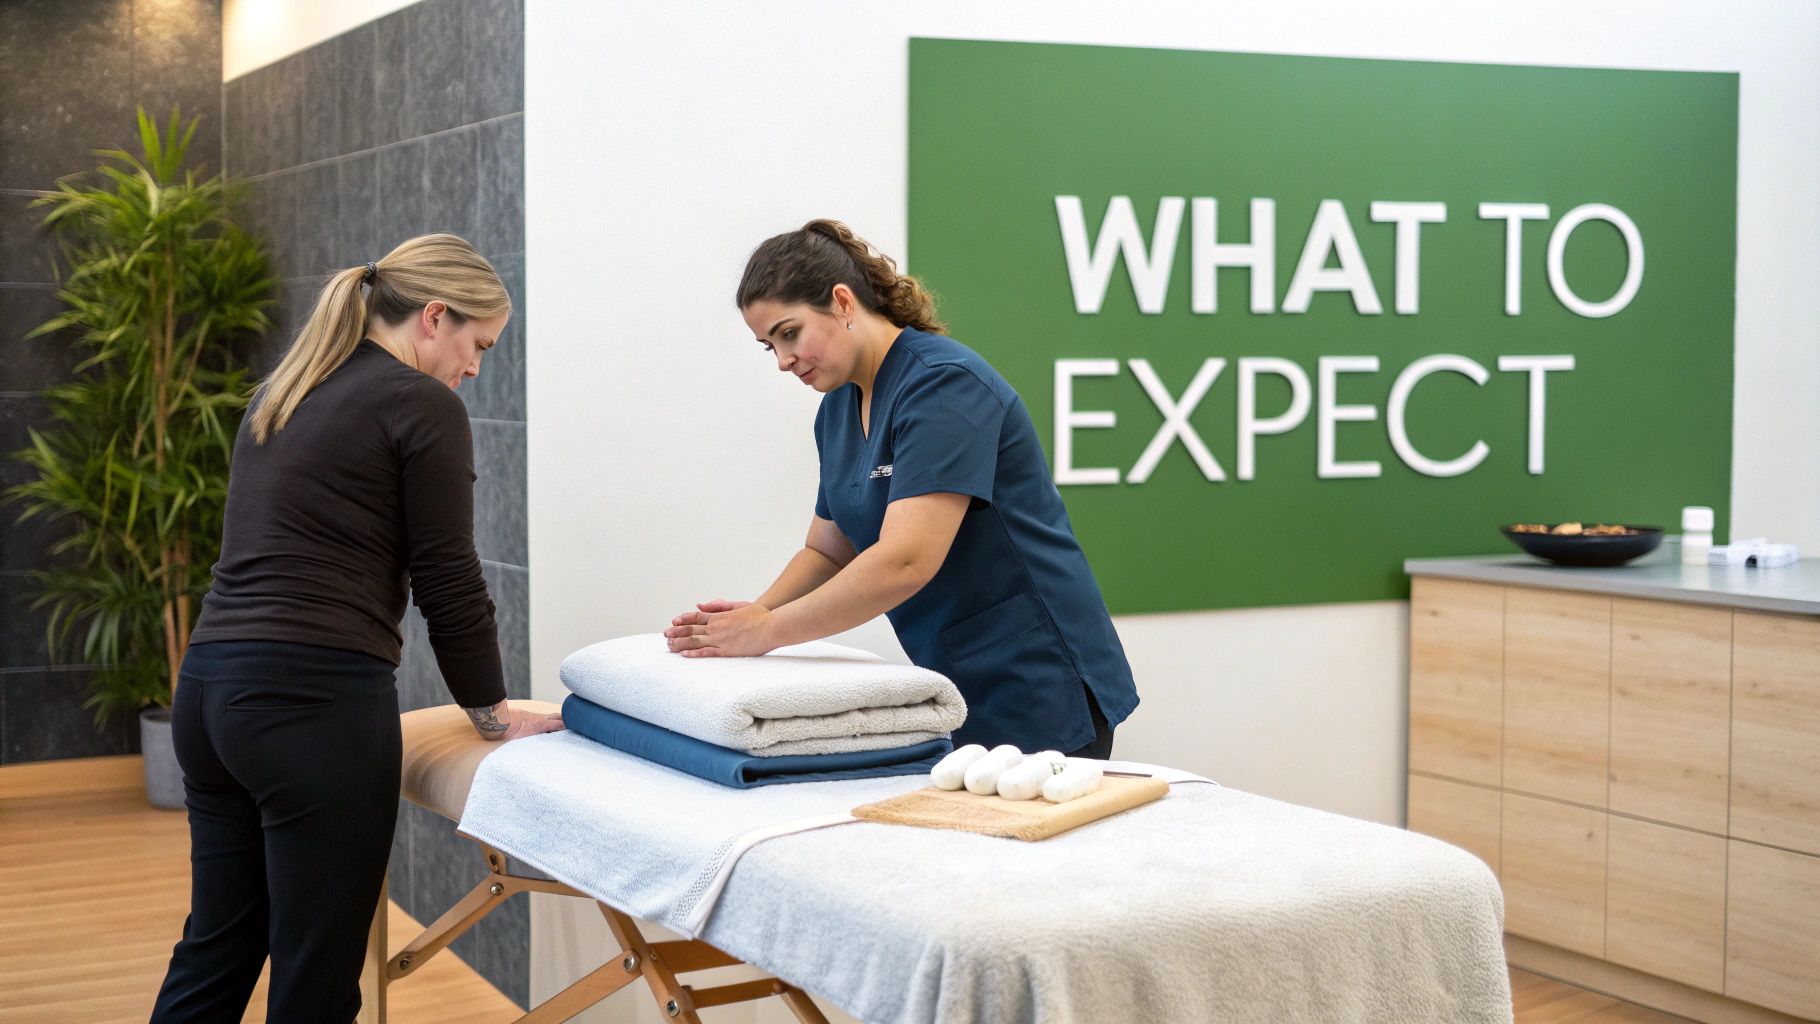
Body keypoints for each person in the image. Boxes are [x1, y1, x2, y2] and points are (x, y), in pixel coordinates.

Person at [150, 233, 562, 1024]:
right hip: (312, 710)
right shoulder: (422, 405)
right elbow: (448, 577)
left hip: (208, 697)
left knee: (218, 947)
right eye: (477, 344)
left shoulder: (287, 389)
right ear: (434, 317)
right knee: (316, 975)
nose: (475, 366)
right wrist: (492, 711)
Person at [664, 219, 1138, 757]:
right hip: (951, 674)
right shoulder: (837, 409)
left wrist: (767, 633)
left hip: (1037, 674)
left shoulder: (944, 385)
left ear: (842, 303)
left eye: (789, 332)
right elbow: (827, 549)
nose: (782, 360)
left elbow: (906, 560)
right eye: (768, 345)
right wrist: (751, 620)